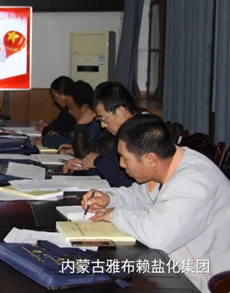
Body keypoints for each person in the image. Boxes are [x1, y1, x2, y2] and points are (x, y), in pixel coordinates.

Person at [82, 115, 230, 293]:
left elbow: (157, 236)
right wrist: (109, 198)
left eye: (125, 158)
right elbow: (138, 195)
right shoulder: (168, 163)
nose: (121, 164)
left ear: (150, 159)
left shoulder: (194, 181)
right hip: (169, 265)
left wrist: (114, 214)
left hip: (201, 280)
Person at [63, 82, 135, 187]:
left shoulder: (141, 133)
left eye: (104, 118)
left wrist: (97, 161)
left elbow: (126, 180)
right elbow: (113, 168)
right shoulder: (122, 133)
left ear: (121, 111)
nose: (103, 125)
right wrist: (85, 166)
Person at [54, 81, 114, 157]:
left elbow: (83, 152)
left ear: (85, 108)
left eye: (71, 108)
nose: (69, 111)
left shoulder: (96, 125)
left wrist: (80, 124)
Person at [35, 76, 76, 147]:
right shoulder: (66, 111)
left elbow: (60, 128)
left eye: (56, 97)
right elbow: (58, 123)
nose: (55, 100)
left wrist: (46, 130)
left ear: (65, 96)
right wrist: (49, 126)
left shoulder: (69, 112)